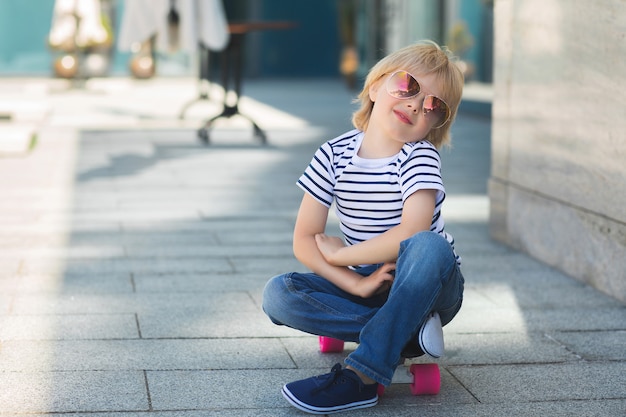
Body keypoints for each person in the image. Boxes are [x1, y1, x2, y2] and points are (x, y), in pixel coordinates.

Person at [262, 40, 466, 414]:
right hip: (369, 283)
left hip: (425, 282)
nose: (416, 104)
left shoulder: (419, 156)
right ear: (374, 86)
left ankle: (364, 376)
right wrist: (354, 281)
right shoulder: (333, 154)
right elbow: (305, 241)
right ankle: (407, 335)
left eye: (434, 106)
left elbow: (411, 233)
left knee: (428, 246)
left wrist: (345, 254)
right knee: (278, 293)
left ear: (437, 124)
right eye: (407, 86)